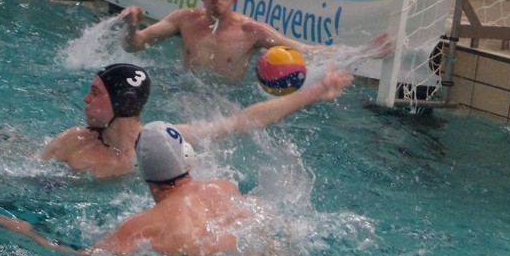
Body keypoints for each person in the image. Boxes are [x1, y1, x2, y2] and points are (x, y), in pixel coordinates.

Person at [40, 61, 352, 179]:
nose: (85, 99)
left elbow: (240, 122)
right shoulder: (73, 142)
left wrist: (315, 92)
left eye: (96, 92)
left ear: (123, 102)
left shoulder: (165, 142)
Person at [0, 121, 250, 256]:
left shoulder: (140, 226)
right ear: (188, 157)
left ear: (141, 169)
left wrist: (30, 235)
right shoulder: (225, 188)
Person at [121, 0, 390, 82]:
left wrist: (365, 51)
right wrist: (132, 26)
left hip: (224, 104)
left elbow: (306, 52)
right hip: (184, 93)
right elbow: (134, 46)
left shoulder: (252, 31)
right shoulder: (184, 19)